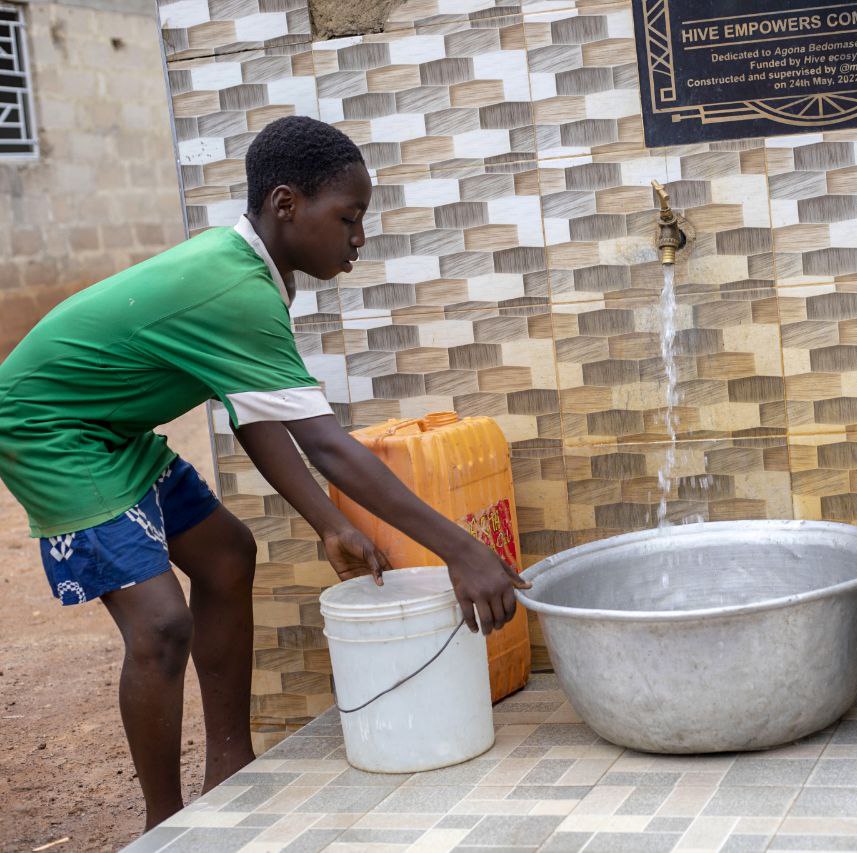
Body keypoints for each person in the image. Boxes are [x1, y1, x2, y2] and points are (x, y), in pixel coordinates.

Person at [0, 115, 528, 830]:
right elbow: (333, 448)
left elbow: (255, 417)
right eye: (348, 217)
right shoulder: (237, 288)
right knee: (160, 625)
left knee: (226, 554)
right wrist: (462, 550)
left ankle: (230, 769)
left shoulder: (250, 275)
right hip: (49, 430)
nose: (358, 239)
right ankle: (166, 828)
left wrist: (329, 521)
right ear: (286, 206)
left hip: (111, 430)